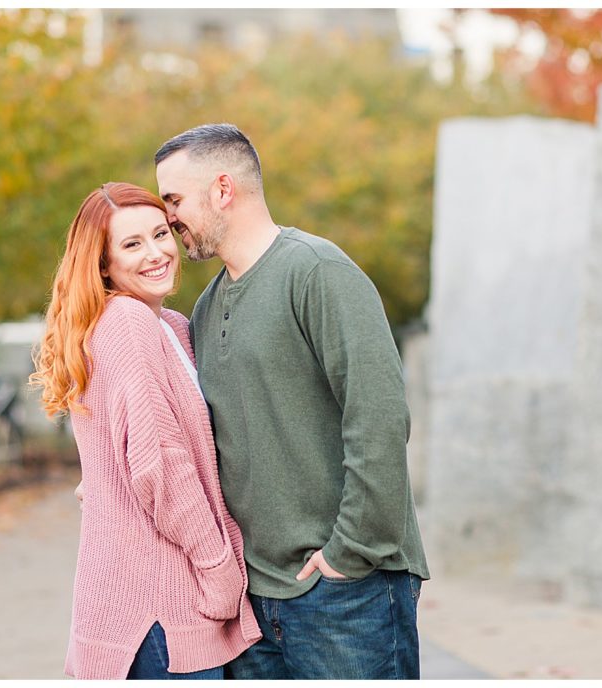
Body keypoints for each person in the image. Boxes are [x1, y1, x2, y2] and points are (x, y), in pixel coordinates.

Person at [153, 124, 431, 680]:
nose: (169, 220)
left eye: (174, 200)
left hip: (344, 593)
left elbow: (378, 417)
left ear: (223, 189)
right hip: (254, 605)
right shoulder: (206, 309)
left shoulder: (316, 271)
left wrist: (348, 554)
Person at [29, 182, 261, 680]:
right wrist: (219, 567)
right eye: (132, 244)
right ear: (104, 264)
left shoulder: (171, 326)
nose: (156, 253)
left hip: (150, 589)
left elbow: (126, 447)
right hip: (157, 602)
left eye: (161, 234)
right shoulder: (127, 322)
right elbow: (161, 463)